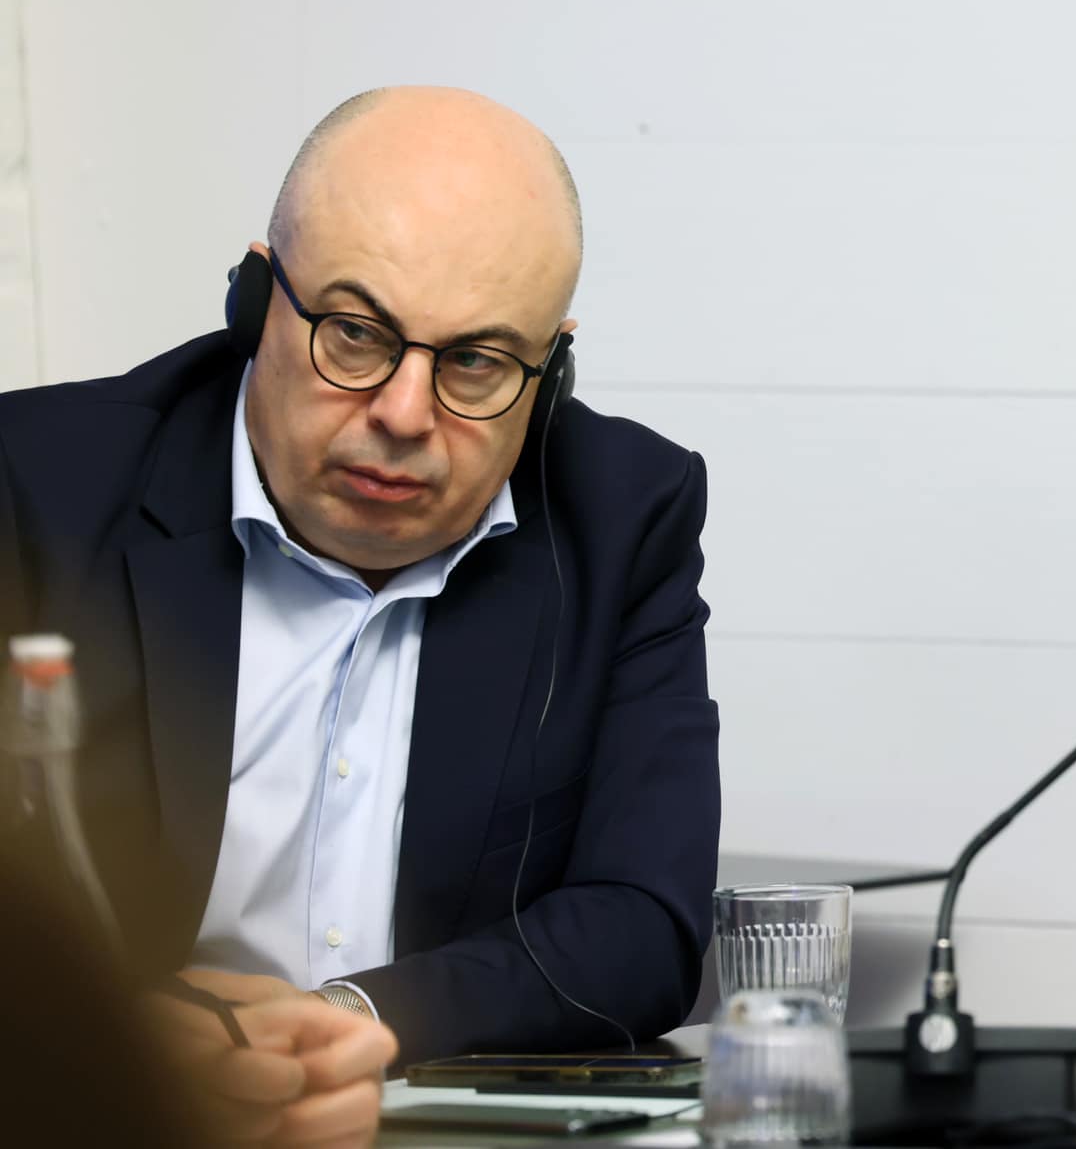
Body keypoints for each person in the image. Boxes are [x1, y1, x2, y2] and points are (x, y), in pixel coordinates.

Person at [0, 88, 720, 1098]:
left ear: (549, 369)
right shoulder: (36, 489)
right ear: (256, 301)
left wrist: (349, 1022)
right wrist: (129, 1051)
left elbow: (641, 925)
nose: (404, 414)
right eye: (354, 334)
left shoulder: (621, 516)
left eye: (475, 362)